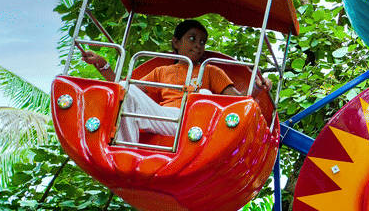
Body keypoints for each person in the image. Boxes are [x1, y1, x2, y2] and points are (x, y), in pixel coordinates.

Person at [81, 19, 271, 144]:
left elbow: (238, 101)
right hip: (167, 118)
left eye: (202, 41)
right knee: (124, 88)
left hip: (196, 120)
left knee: (204, 96)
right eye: (192, 38)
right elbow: (124, 89)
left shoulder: (211, 70)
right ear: (176, 43)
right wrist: (102, 64)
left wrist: (256, 87)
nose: (198, 45)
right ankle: (125, 150)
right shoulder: (162, 71)